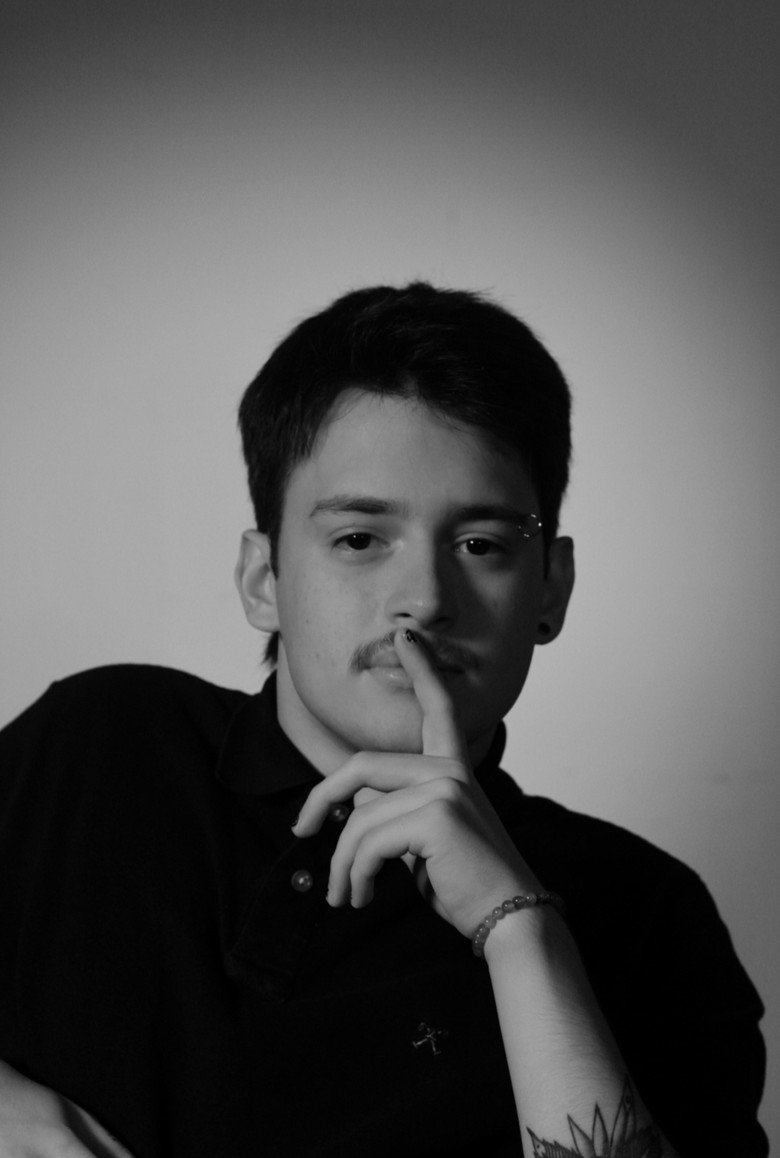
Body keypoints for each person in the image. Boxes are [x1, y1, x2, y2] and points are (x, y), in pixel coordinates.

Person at [0, 283, 767, 1157]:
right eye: (360, 540)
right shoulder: (100, 749)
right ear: (262, 580)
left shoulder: (644, 914)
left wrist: (519, 927)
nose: (425, 600)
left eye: (481, 545)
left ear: (550, 589)